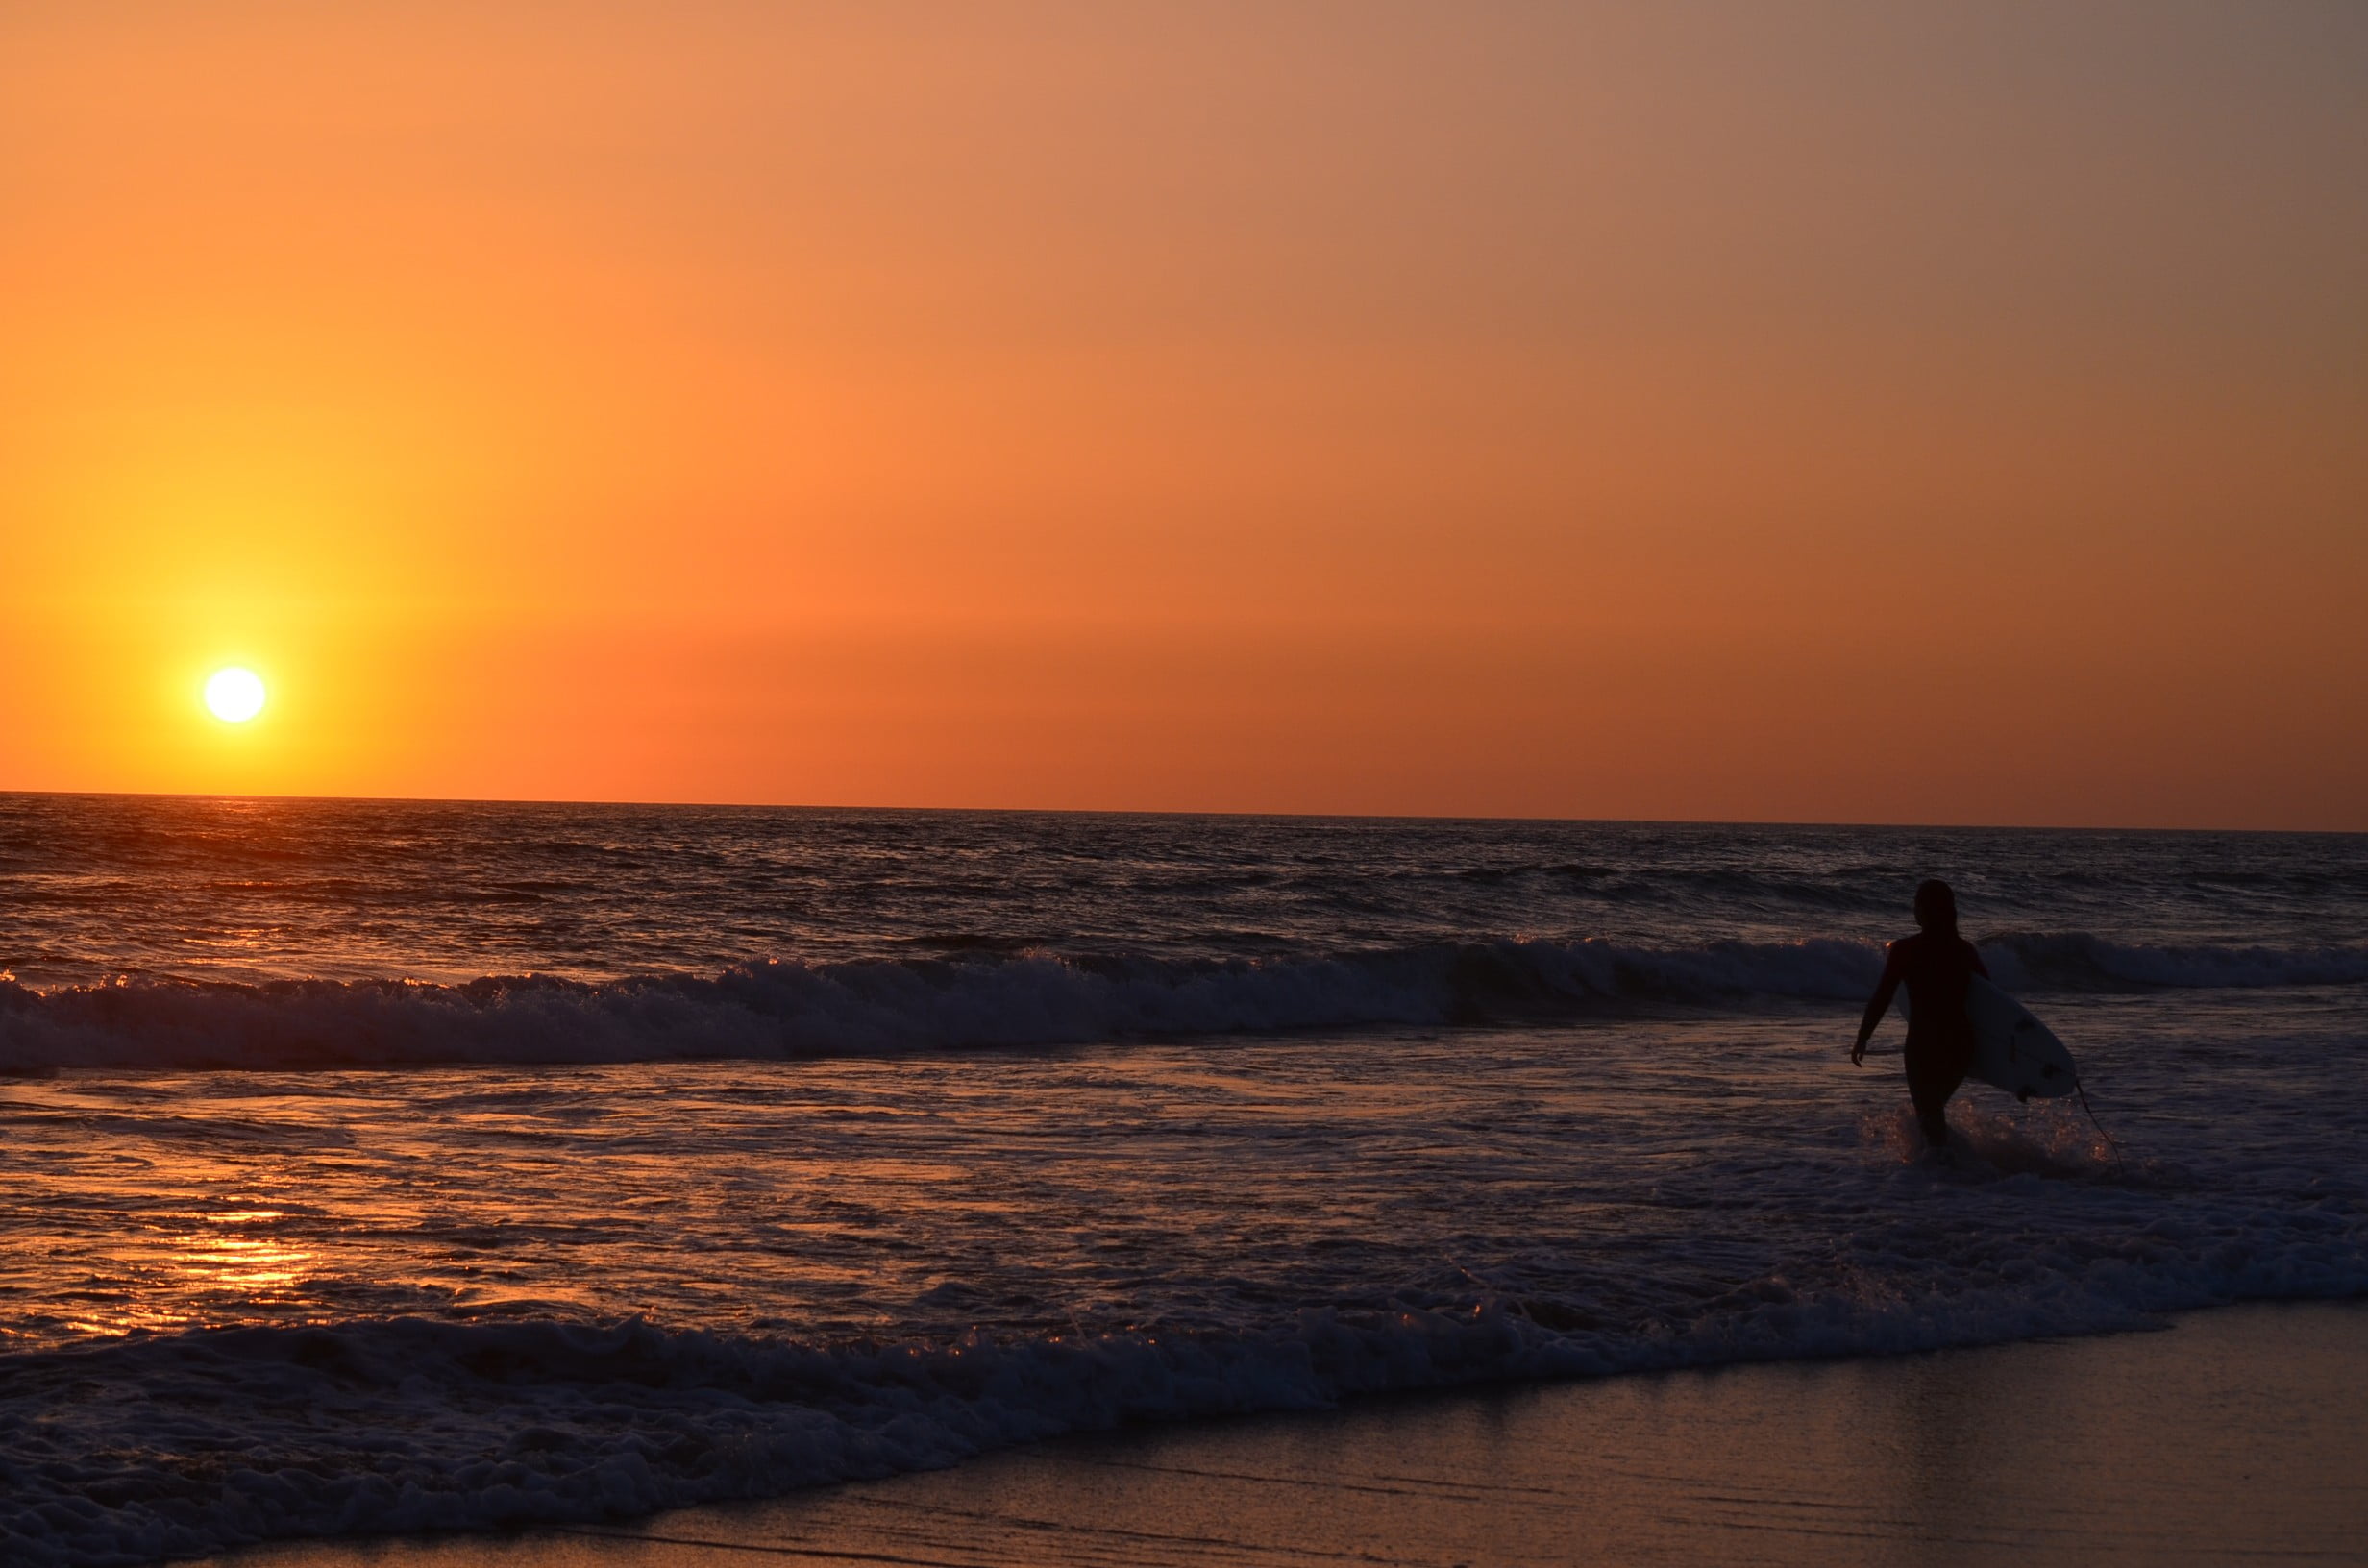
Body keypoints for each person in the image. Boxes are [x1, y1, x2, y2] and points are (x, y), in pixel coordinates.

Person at [1853, 878, 1988, 1151]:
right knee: (1932, 1112)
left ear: (1922, 911)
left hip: (1924, 1045)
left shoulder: (1905, 950)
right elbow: (1989, 1003)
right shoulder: (1964, 951)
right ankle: (1957, 1171)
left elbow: (1883, 996)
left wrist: (1863, 1038)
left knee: (1929, 1116)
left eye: (1917, 904)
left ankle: (1946, 1175)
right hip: (1961, 1045)